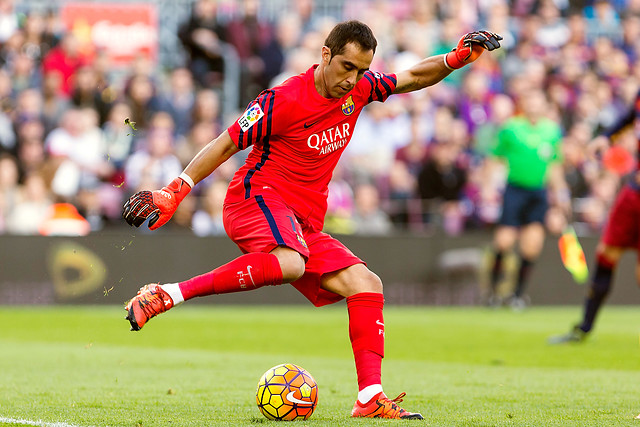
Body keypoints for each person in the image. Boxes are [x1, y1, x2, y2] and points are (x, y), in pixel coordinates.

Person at [122, 21, 501, 419]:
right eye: (346, 67)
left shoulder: (359, 88)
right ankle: (169, 294)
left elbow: (412, 77)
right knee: (291, 262)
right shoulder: (282, 100)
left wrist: (456, 59)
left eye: (361, 69)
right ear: (325, 55)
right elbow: (227, 142)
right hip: (255, 198)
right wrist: (175, 189)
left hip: (301, 223)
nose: (352, 78)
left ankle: (370, 397)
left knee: (365, 283)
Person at [549, 88, 640, 344]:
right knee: (606, 253)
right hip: (634, 192)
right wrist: (607, 137)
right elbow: (631, 116)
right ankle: (584, 327)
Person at [484, 89, 568, 310]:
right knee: (504, 241)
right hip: (514, 191)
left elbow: (555, 165)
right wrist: (487, 187)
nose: (533, 104)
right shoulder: (511, 128)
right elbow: (495, 158)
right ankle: (493, 291)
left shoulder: (552, 131)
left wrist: (561, 195)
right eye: (530, 99)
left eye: (538, 99)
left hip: (538, 193)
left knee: (532, 247)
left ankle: (517, 295)